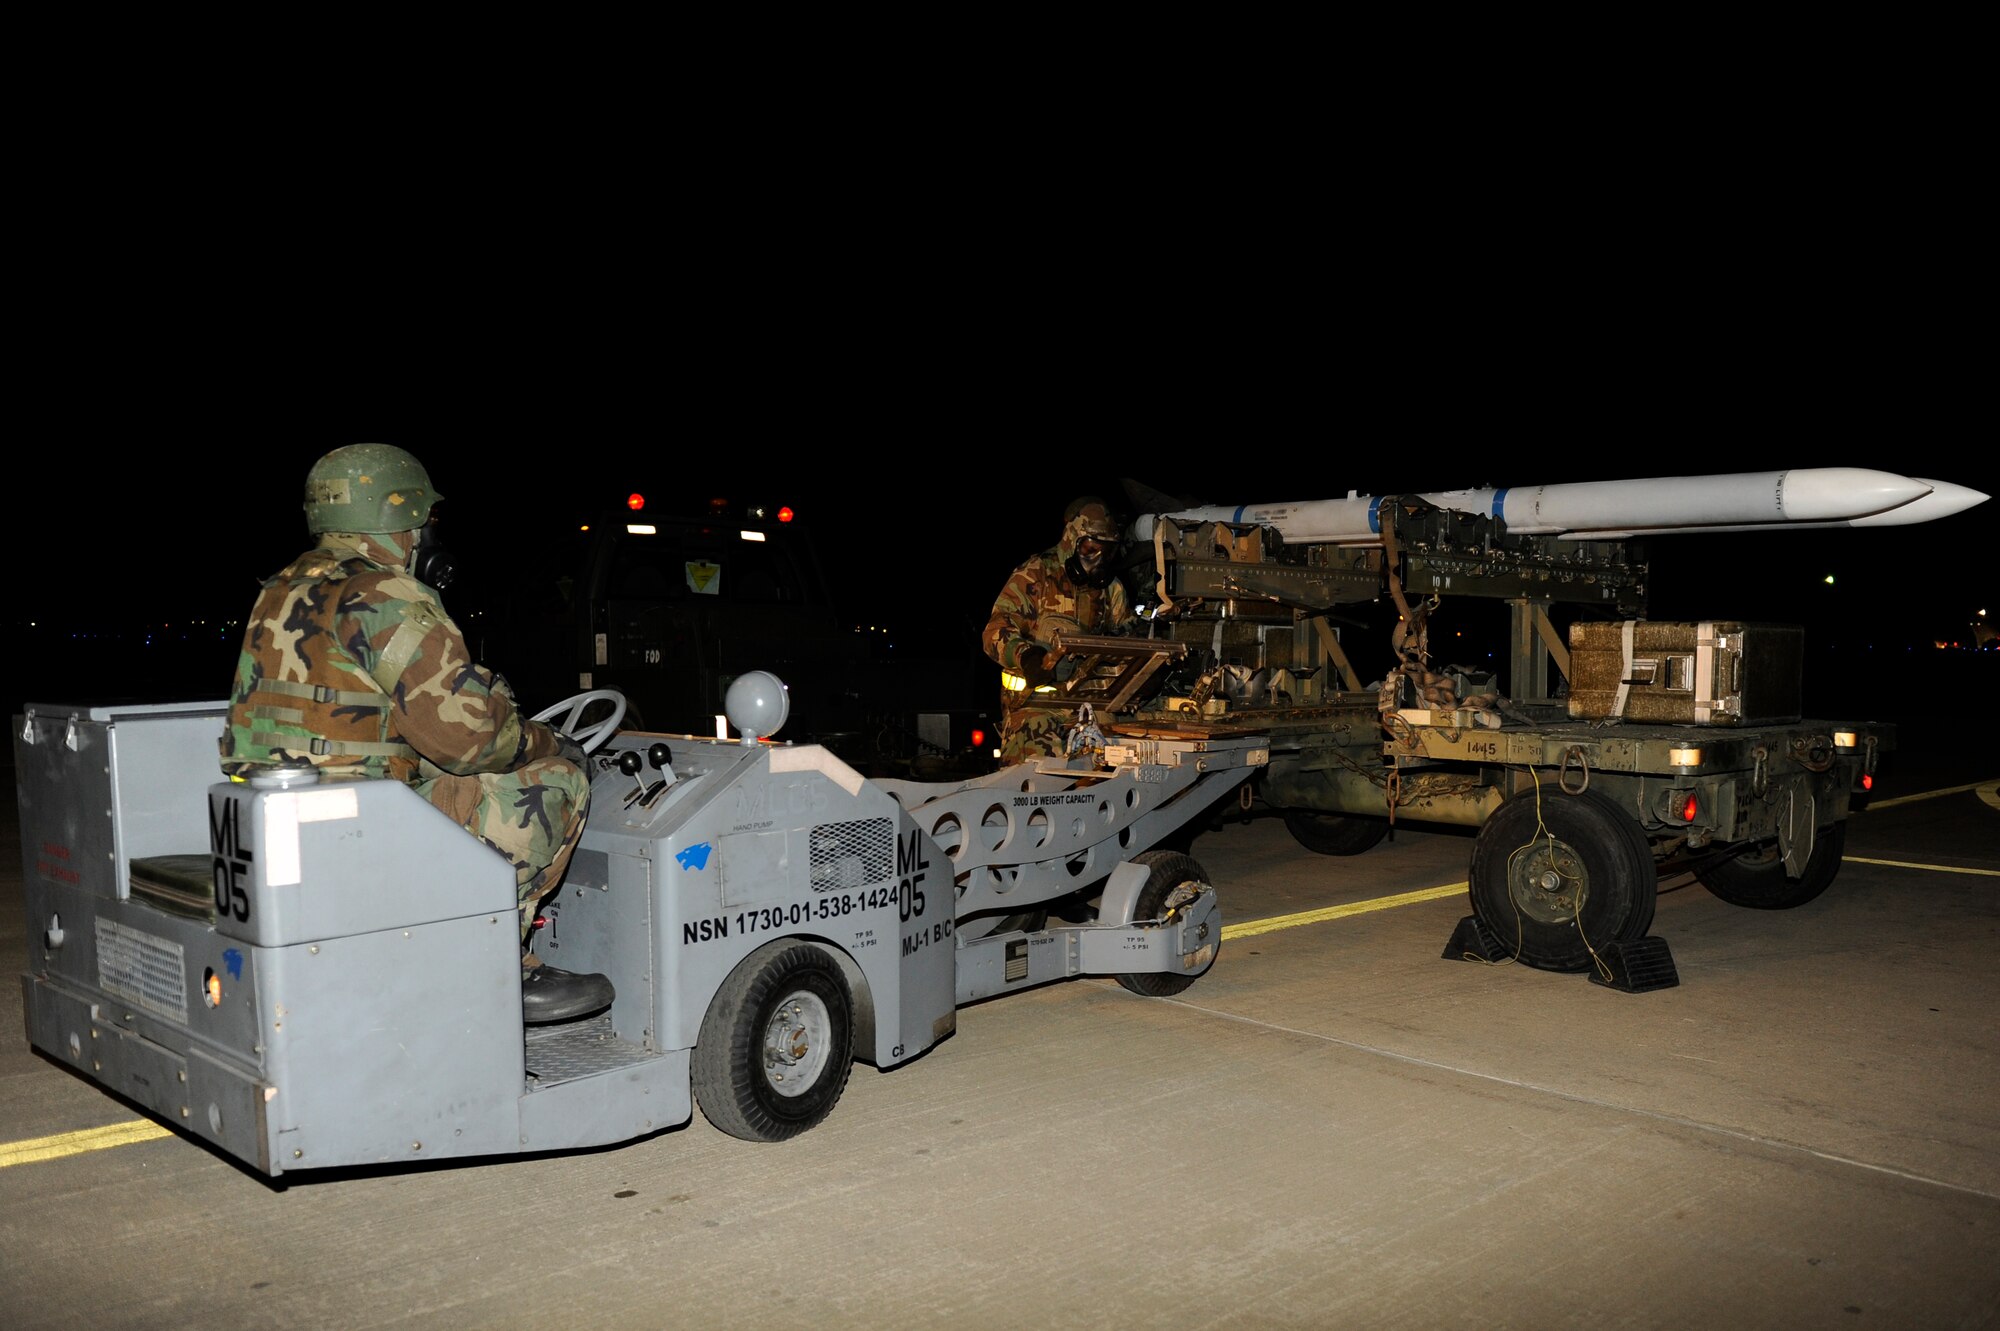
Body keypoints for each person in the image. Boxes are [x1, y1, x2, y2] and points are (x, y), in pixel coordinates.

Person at [217, 442, 611, 1024]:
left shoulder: (283, 586)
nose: (426, 533)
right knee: (554, 784)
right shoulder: (386, 595)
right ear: (396, 518)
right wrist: (550, 742)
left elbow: (360, 722)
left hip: (293, 813)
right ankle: (503, 964)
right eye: (423, 520)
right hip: (361, 826)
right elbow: (470, 739)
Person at [981, 495, 1138, 764]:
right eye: (1091, 549)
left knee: (1129, 751)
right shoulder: (1035, 574)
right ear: (1071, 541)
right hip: (1033, 705)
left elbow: (1128, 640)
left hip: (1088, 704)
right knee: (1038, 767)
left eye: (1106, 551)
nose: (1098, 559)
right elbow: (995, 630)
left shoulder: (1111, 590)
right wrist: (1026, 656)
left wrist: (1140, 670)